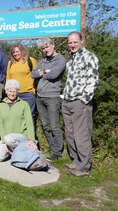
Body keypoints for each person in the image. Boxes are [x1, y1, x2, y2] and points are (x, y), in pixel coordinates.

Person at [62, 31, 99, 177]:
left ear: (81, 41)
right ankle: (76, 161)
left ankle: (84, 168)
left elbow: (93, 80)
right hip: (67, 101)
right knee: (70, 134)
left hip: (80, 102)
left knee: (81, 135)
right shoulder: (70, 60)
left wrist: (84, 100)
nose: (72, 45)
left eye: (75, 42)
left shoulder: (89, 57)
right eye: (70, 42)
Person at [31, 37, 66, 161]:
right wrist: (44, 71)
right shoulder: (43, 60)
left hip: (52, 97)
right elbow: (33, 74)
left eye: (47, 47)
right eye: (43, 48)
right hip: (40, 97)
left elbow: (54, 74)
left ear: (53, 45)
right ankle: (52, 148)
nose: (46, 50)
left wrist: (42, 73)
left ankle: (58, 151)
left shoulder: (60, 59)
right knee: (46, 125)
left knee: (54, 125)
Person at [0, 79, 36, 162]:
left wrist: (31, 139)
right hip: (6, 138)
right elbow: (0, 125)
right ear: (6, 91)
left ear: (17, 92)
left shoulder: (24, 104)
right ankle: (13, 153)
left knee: (8, 139)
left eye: (14, 91)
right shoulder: (0, 106)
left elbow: (29, 122)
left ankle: (21, 150)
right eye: (10, 91)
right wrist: (4, 141)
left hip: (21, 135)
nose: (12, 94)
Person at [6, 43, 37, 113]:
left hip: (28, 94)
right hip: (14, 94)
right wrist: (9, 92)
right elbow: (8, 78)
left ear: (22, 51)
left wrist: (34, 91)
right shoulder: (10, 63)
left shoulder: (30, 61)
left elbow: (36, 76)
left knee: (28, 116)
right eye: (13, 52)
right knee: (16, 117)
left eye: (17, 51)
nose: (15, 54)